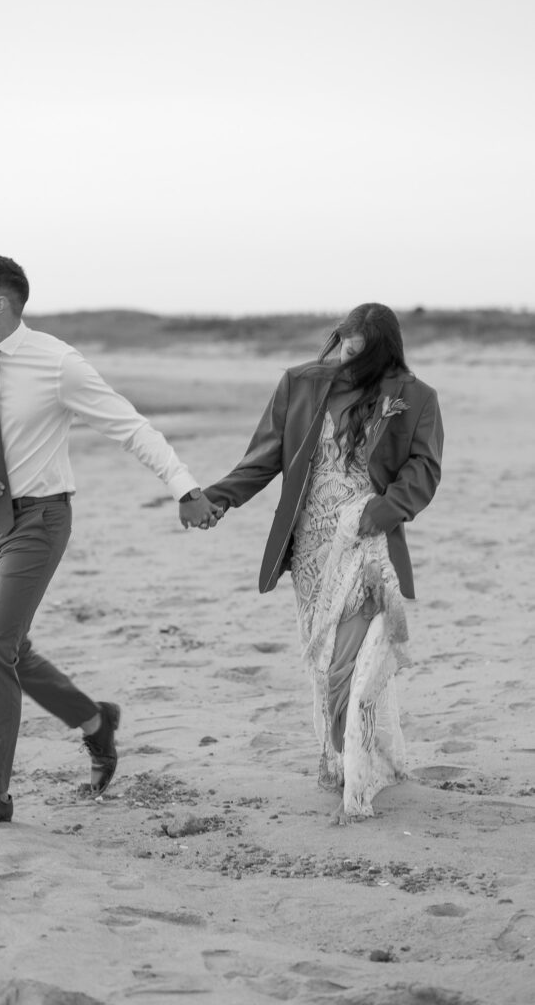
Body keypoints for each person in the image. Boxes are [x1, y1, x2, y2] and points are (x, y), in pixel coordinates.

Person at [0, 254, 221, 826]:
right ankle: (96, 721)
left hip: (40, 522)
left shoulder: (57, 364)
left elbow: (129, 426)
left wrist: (184, 487)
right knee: (9, 649)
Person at [201, 303, 443, 823]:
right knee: (324, 656)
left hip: (366, 545)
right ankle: (345, 758)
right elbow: (263, 457)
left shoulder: (415, 398)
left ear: (381, 350)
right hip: (310, 547)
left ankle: (357, 772)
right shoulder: (301, 384)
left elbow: (425, 469)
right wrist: (218, 498)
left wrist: (385, 509)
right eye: (341, 345)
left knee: (346, 663)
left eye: (358, 351)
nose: (345, 358)